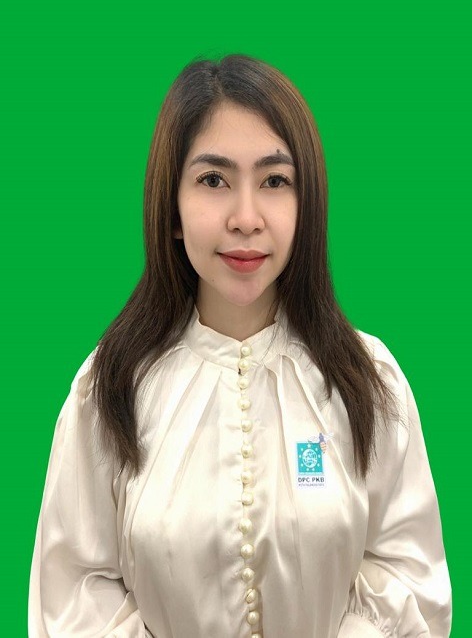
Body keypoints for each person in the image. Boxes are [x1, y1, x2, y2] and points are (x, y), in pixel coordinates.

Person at [29, 54, 452, 637]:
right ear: (172, 209)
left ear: (307, 206)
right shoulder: (109, 385)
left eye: (275, 181)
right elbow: (74, 591)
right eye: (213, 180)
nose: (246, 218)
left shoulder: (368, 379)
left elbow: (409, 576)